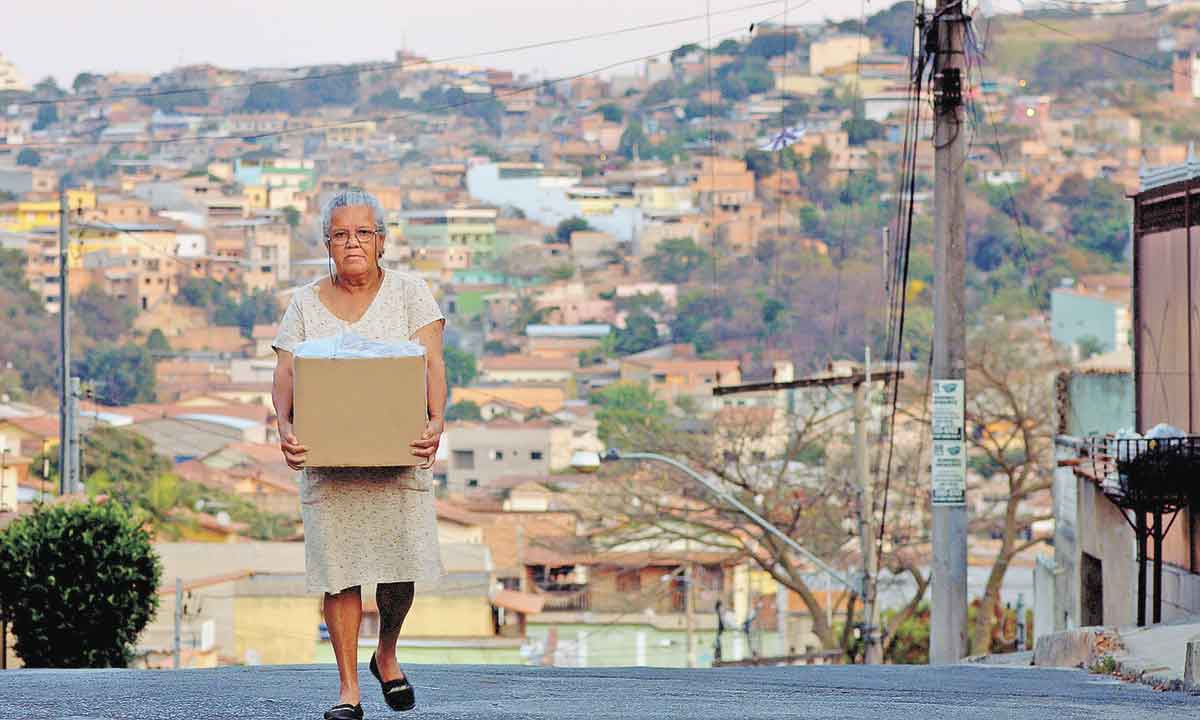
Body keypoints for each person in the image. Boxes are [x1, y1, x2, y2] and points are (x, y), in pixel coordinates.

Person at [271, 189, 448, 720]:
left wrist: (436, 421)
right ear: (328, 243)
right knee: (339, 574)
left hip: (398, 460)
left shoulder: (412, 294)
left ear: (382, 241)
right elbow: (284, 376)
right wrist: (284, 428)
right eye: (342, 234)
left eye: (363, 233)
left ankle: (386, 653)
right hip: (330, 467)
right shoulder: (303, 303)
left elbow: (433, 366)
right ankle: (348, 691)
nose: (353, 243)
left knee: (398, 575)